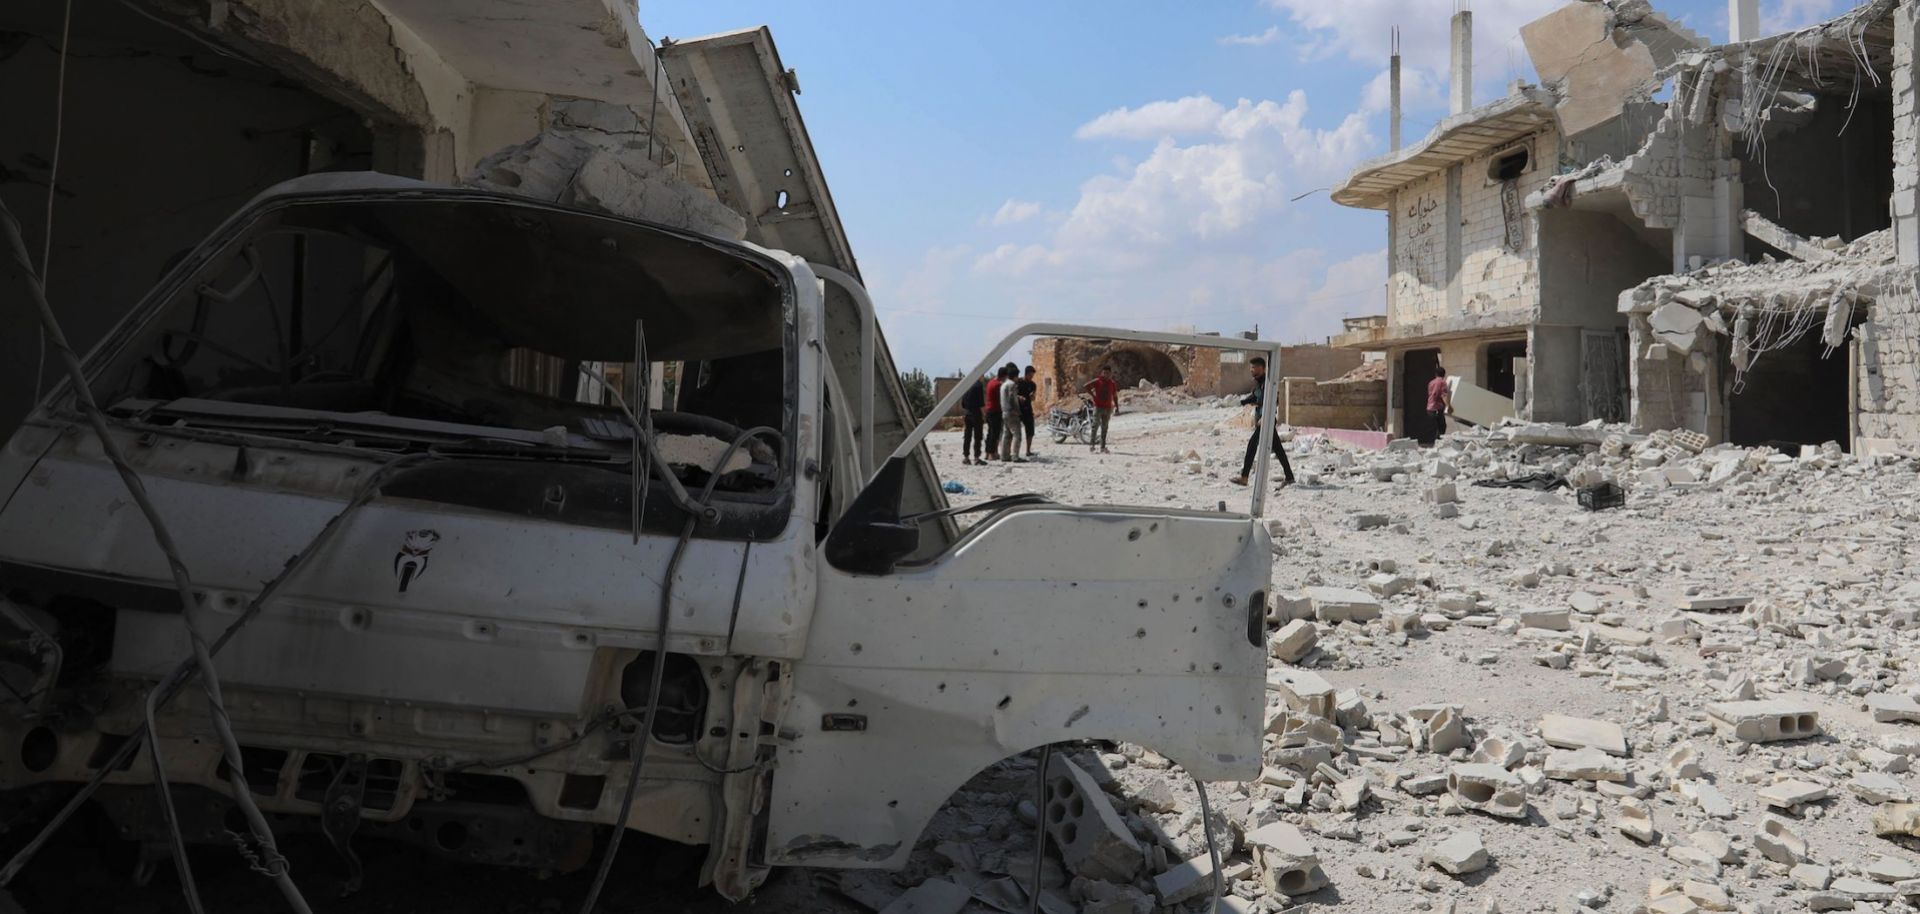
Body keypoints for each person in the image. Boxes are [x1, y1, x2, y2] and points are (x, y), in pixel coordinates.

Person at [1229, 355, 1295, 488]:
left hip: (1267, 420)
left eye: (1254, 368)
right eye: (1251, 368)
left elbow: (1273, 400)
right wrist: (1241, 402)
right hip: (1264, 419)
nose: (1251, 370)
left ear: (1262, 368)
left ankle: (1244, 477)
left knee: (1252, 444)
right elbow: (1255, 396)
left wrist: (1265, 416)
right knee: (1278, 449)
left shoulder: (1268, 382)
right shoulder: (1260, 383)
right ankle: (1289, 477)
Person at [1081, 364, 1118, 453]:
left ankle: (1102, 447)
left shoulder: (1112, 383)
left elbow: (1115, 395)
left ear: (1110, 374)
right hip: (1098, 407)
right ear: (1102, 373)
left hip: (1108, 408)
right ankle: (1092, 445)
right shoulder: (1098, 381)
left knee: (1105, 428)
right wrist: (1093, 395)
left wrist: (1117, 406)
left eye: (1108, 373)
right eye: (1104, 373)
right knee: (1095, 426)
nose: (1106, 375)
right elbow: (1086, 386)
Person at [998, 361, 1023, 462]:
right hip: (1012, 413)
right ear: (1016, 376)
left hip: (1004, 412)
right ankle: (1015, 456)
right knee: (1017, 434)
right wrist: (1017, 410)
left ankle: (1004, 455)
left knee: (1006, 434)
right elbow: (1013, 399)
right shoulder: (1012, 385)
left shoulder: (1003, 385)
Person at [959, 376, 986, 465]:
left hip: (967, 413)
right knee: (978, 436)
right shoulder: (978, 385)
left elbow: (963, 404)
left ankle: (966, 457)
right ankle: (976, 457)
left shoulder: (967, 385)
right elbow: (981, 403)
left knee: (967, 436)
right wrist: (984, 415)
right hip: (976, 413)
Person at [1424, 366, 1452, 446]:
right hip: (1437, 408)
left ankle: (1434, 445)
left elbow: (1430, 394)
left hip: (1429, 408)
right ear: (1444, 374)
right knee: (1441, 427)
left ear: (1435, 374)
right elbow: (1443, 395)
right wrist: (1449, 406)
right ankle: (1438, 445)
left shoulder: (1431, 382)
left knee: (1435, 427)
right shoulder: (1442, 382)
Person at [1017, 365, 1039, 458]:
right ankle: (1014, 452)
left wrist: (1032, 396)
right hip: (1018, 409)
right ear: (1026, 374)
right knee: (1015, 432)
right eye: (1030, 375)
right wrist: (1019, 397)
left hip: (1028, 409)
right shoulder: (1018, 382)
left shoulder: (1033, 385)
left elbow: (1033, 398)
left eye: (1032, 375)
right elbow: (1012, 394)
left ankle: (1028, 451)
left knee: (1030, 430)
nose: (1031, 377)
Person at [984, 366, 1005, 461]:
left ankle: (987, 453)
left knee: (990, 433)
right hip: (995, 410)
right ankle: (992, 454)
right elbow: (1001, 398)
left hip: (988, 410)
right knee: (994, 433)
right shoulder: (998, 385)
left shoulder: (990, 382)